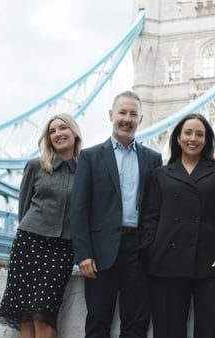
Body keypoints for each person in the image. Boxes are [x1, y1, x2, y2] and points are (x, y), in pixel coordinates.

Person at [70, 90, 162, 338]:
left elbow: (156, 210)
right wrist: (84, 254)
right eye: (122, 112)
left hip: (139, 250)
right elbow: (79, 209)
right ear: (111, 115)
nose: (127, 119)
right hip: (100, 252)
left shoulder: (154, 159)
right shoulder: (89, 157)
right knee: (98, 320)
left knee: (136, 323)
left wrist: (152, 247)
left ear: (140, 120)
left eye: (133, 114)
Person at [140, 113, 215, 338]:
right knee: (168, 331)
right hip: (165, 263)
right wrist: (151, 251)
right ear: (178, 138)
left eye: (200, 134)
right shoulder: (160, 174)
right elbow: (150, 218)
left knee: (213, 329)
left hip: (212, 264)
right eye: (188, 133)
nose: (193, 139)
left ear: (207, 140)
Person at [0, 113, 83, 338]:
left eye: (63, 128)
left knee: (44, 315)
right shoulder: (35, 166)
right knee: (26, 316)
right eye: (52, 131)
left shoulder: (86, 170)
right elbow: (23, 208)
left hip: (62, 250)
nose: (57, 134)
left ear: (74, 132)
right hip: (29, 243)